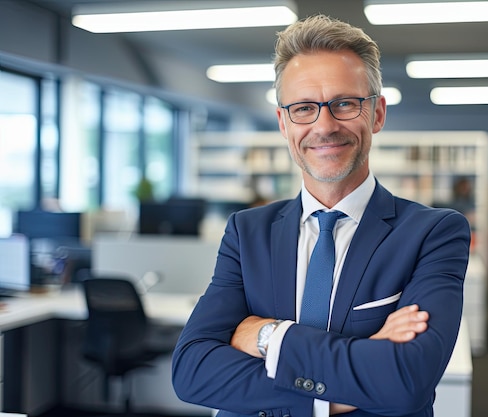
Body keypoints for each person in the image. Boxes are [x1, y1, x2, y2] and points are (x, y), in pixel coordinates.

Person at [172, 14, 470, 417]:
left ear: (378, 113)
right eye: (304, 108)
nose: (324, 126)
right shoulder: (248, 233)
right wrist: (343, 384)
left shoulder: (432, 233)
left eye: (345, 103)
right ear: (283, 123)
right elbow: (193, 371)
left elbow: (405, 381)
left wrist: (266, 336)